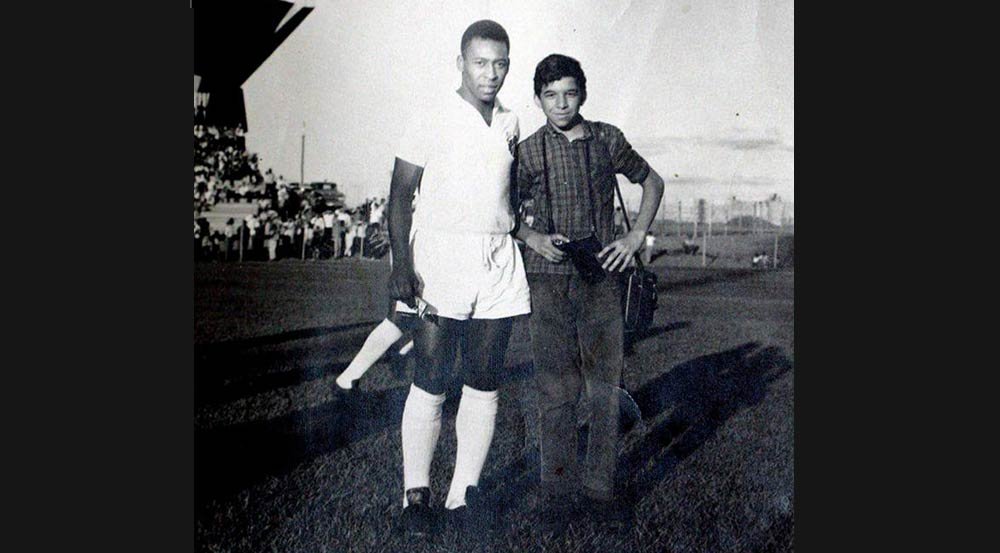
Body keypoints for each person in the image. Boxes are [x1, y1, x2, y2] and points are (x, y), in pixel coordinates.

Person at [383, 19, 529, 538]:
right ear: (461, 63)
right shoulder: (429, 114)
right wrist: (402, 265)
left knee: (484, 379)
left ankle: (463, 495)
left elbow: (509, 195)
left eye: (500, 63)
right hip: (440, 255)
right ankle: (415, 496)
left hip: (498, 258)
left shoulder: (511, 122)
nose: (491, 73)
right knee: (432, 375)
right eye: (480, 62)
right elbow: (399, 197)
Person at [514, 54, 665, 536]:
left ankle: (601, 491)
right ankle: (557, 494)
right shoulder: (527, 150)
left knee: (604, 389)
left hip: (601, 278)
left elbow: (652, 181)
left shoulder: (607, 139)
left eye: (569, 93)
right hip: (547, 279)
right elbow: (501, 208)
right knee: (556, 391)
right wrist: (533, 237)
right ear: (537, 100)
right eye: (550, 95)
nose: (561, 104)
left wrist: (635, 236)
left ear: (583, 93)